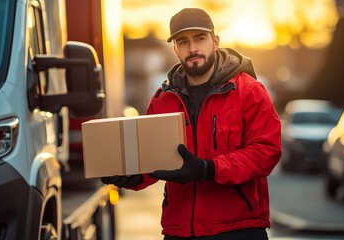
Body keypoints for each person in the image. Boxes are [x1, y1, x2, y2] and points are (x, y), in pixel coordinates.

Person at [102, 8, 282, 240]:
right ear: (175, 49)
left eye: (200, 38)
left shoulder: (249, 91)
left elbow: (266, 152)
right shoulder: (162, 99)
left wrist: (209, 169)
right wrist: (134, 178)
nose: (192, 48)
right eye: (183, 42)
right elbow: (154, 158)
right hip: (180, 232)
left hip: (238, 229)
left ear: (215, 42)